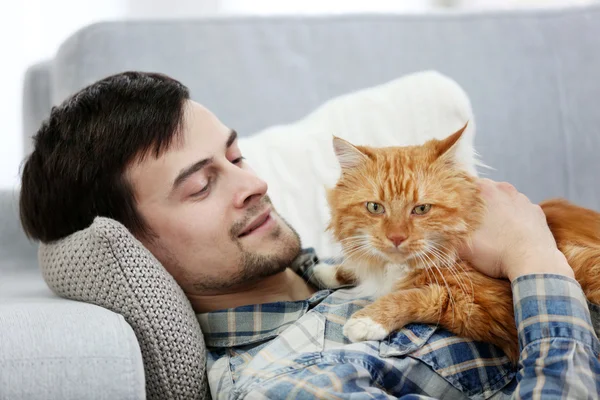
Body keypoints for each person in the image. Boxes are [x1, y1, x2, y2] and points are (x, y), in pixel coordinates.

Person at [19, 71, 600, 399]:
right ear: (133, 250)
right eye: (200, 187)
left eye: (237, 155)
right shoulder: (287, 382)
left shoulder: (342, 267)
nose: (253, 183)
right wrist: (532, 256)